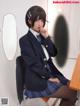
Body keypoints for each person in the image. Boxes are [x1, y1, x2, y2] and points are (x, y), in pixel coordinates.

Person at [19, 5, 77, 106]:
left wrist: (47, 38)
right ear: (29, 21)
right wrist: (49, 77)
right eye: (37, 20)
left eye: (42, 20)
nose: (40, 24)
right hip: (37, 82)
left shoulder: (42, 36)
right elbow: (33, 64)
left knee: (73, 87)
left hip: (50, 75)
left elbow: (53, 53)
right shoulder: (24, 40)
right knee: (70, 92)